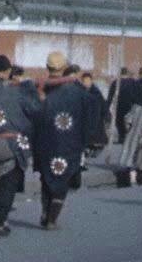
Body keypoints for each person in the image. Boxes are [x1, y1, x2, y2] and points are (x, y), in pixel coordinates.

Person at [0, 55, 41, 234]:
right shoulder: (17, 91)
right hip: (14, 143)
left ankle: (0, 219)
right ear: (8, 70)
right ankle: (0, 222)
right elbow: (34, 111)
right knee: (8, 184)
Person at [30, 53, 96, 228]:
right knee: (63, 180)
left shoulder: (39, 88)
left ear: (48, 67)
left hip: (44, 142)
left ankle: (45, 211)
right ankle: (52, 218)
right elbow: (89, 116)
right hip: (69, 143)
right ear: (64, 67)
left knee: (46, 177)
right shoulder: (77, 91)